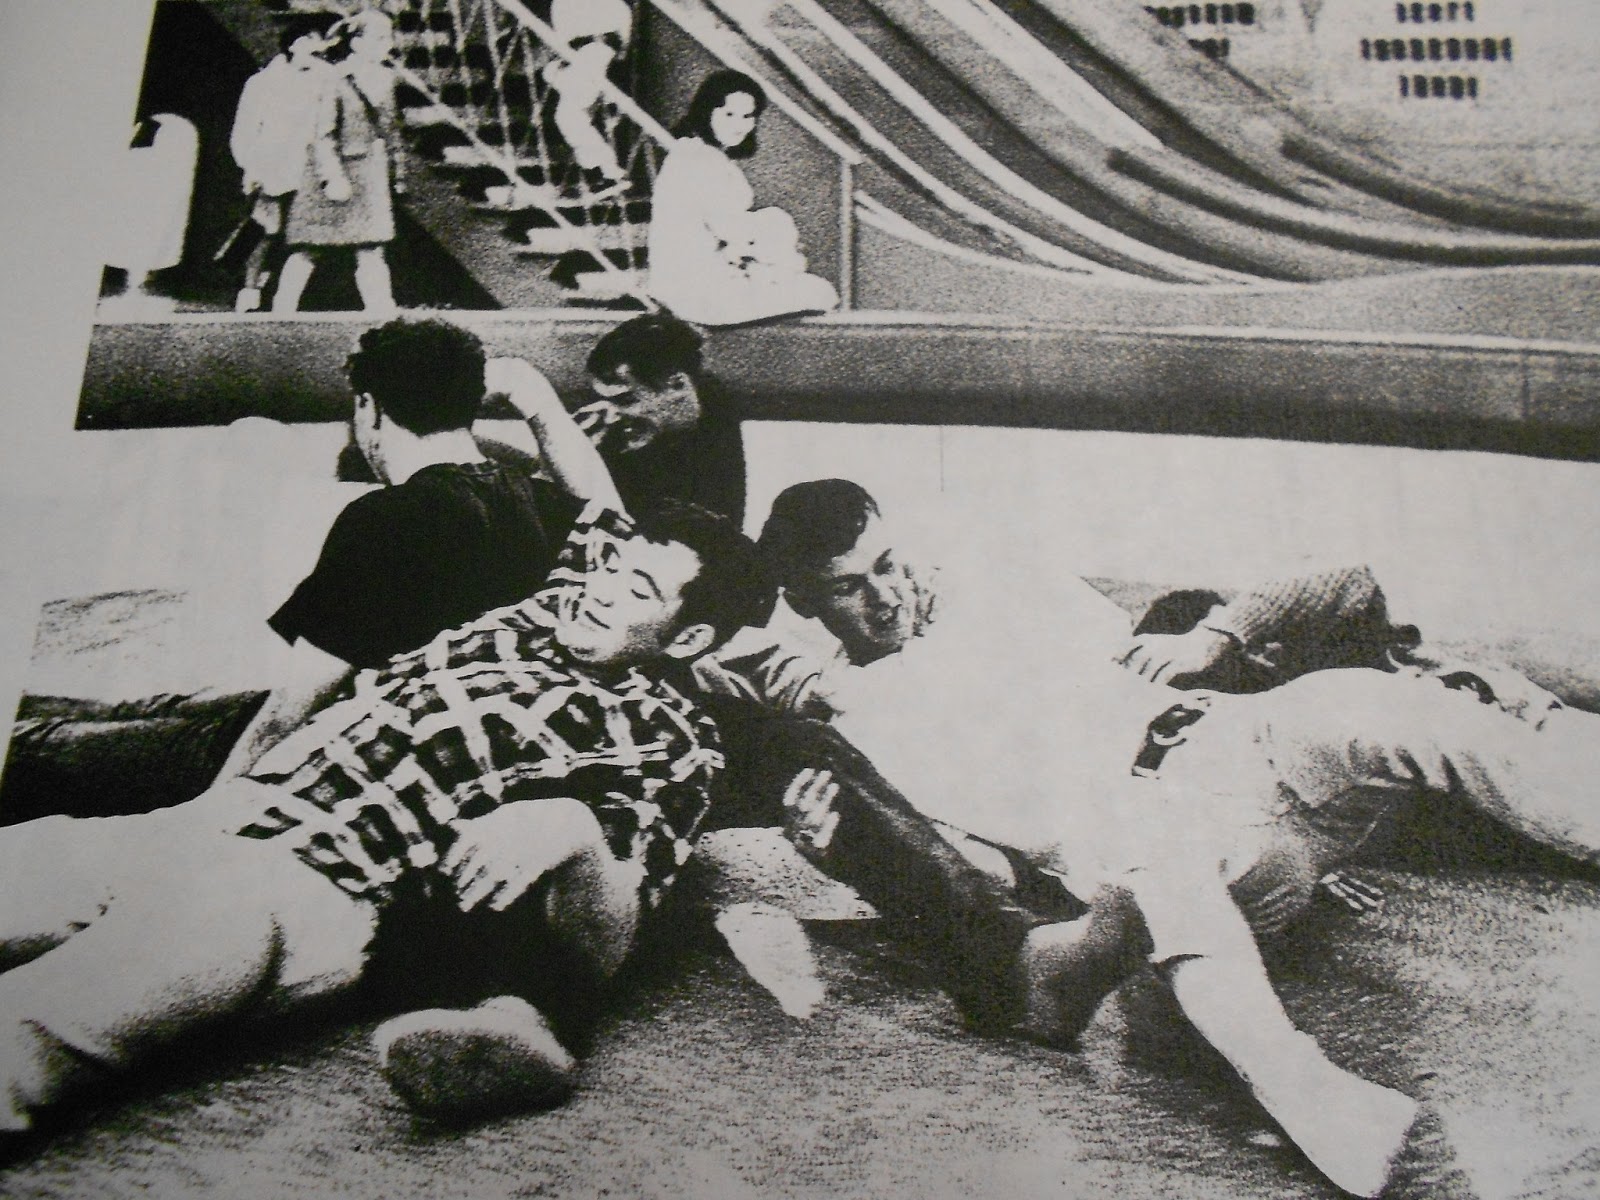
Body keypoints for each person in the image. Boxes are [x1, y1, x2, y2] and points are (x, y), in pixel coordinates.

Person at [751, 478, 1600, 1197]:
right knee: (1155, 853)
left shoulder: (999, 592)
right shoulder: (851, 725)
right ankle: (1339, 1118)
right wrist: (828, 840)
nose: (887, 595)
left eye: (889, 564)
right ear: (804, 603)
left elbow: (1271, 603)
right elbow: (968, 878)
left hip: (1236, 736)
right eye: (849, 587)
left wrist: (1206, 638)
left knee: (1390, 705)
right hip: (1173, 844)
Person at [0, 501, 777, 1133]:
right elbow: (590, 511)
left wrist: (573, 829)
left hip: (301, 886)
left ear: (690, 638)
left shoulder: (669, 738)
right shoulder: (546, 612)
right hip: (215, 820)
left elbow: (606, 945)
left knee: (32, 1029)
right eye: (607, 565)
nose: (601, 588)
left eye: (637, 590)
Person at [0, 317, 622, 820]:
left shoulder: (390, 517)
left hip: (327, 746)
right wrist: (540, 404)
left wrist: (206, 819)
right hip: (390, 728)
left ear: (369, 408)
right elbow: (612, 519)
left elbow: (288, 714)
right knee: (149, 706)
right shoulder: (537, 503)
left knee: (32, 749)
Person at [646, 70, 839, 326]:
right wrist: (777, 242)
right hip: (697, 293)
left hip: (687, 285)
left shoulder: (695, 153)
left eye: (747, 116)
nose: (738, 125)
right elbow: (731, 229)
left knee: (807, 285)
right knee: (819, 292)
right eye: (728, 114)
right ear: (706, 112)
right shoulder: (699, 159)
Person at [275, 10, 404, 314]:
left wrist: (398, 171)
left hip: (369, 174)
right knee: (309, 247)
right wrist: (331, 177)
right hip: (335, 173)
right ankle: (282, 311)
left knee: (371, 247)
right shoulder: (335, 78)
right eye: (379, 38)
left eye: (388, 37)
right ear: (356, 43)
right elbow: (323, 134)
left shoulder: (387, 79)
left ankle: (381, 311)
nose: (387, 44)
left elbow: (391, 130)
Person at [575, 313, 747, 524]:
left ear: (676, 385)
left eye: (626, 399)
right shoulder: (611, 434)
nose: (611, 416)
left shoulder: (717, 418)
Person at [228, 14, 341, 313]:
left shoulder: (327, 79)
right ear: (293, 44)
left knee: (306, 235)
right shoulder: (262, 82)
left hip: (309, 169)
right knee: (265, 232)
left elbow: (326, 126)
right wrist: (251, 168)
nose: (315, 48)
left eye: (318, 43)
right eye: (308, 41)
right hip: (271, 168)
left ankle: (285, 299)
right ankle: (249, 294)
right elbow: (244, 131)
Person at [543, 0, 633, 197]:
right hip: (582, 56)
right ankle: (602, 172)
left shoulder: (614, 7)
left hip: (596, 53)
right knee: (568, 109)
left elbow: (621, 45)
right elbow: (563, 41)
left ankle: (607, 172)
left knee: (568, 115)